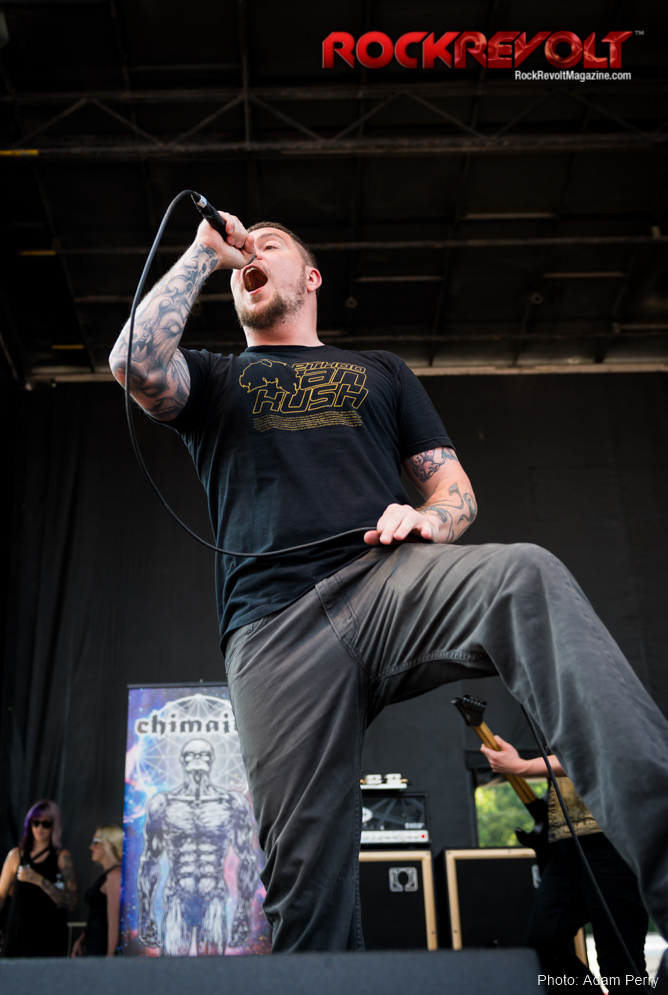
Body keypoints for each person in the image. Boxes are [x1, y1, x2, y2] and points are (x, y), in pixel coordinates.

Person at [108, 208, 668, 953]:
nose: (251, 252)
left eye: (269, 245)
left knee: (524, 574)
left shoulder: (382, 370)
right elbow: (135, 363)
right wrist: (205, 253)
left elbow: (455, 489)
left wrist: (431, 519)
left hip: (386, 580)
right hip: (275, 629)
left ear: (311, 277)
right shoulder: (216, 376)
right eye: (244, 249)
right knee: (306, 882)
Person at [482, 736, 648, 995]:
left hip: (611, 839)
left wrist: (522, 766)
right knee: (542, 945)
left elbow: (600, 750)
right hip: (566, 842)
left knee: (619, 963)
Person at [136, 738, 257, 955]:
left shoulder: (231, 803)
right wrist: (146, 914)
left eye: (203, 755)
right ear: (183, 761)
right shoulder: (163, 804)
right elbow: (149, 860)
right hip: (177, 894)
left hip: (214, 895)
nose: (197, 760)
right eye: (191, 755)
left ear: (211, 760)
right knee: (172, 966)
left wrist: (243, 911)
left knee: (213, 968)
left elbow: (247, 859)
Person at [0, 799, 76, 957]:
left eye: (46, 824)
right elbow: (1, 895)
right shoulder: (16, 855)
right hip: (18, 931)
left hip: (48, 933)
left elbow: (71, 901)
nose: (40, 828)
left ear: (54, 826)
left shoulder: (61, 857)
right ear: (29, 824)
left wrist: (39, 880)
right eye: (35, 823)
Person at [71, 825, 122, 957]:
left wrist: (110, 954)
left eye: (96, 842)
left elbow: (114, 919)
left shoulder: (115, 876)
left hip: (102, 946)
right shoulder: (107, 875)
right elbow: (99, 914)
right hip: (95, 944)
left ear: (108, 844)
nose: (91, 847)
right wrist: (81, 939)